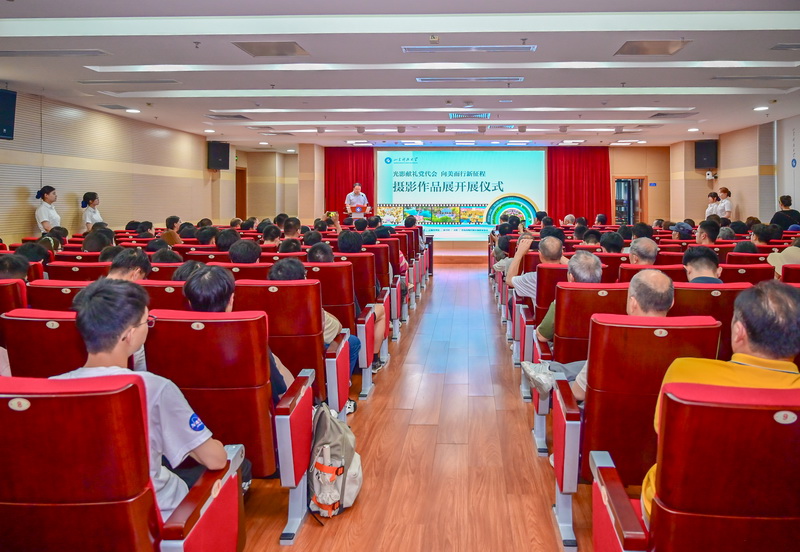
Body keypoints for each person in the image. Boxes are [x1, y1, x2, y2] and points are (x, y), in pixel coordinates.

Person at [51, 278, 229, 519]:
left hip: (80, 517)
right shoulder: (154, 387)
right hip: (159, 515)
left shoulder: (49, 388)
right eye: (147, 321)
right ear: (129, 334)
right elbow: (215, 460)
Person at [640, 280, 800, 523]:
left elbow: (662, 433)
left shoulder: (685, 372)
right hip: (784, 529)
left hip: (678, 519)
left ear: (739, 331)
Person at [527, 270, 674, 400]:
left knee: (563, 386)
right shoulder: (684, 340)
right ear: (672, 302)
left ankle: (551, 376)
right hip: (660, 414)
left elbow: (578, 393)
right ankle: (551, 370)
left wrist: (559, 385)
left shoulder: (610, 336)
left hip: (606, 413)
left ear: (633, 303)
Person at [182, 265, 290, 405]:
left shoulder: (171, 342)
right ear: (231, 299)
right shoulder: (251, 341)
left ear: (190, 302)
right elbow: (282, 395)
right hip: (250, 417)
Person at [268, 258, 361, 414]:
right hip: (309, 357)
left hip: (275, 359)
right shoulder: (308, 300)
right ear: (303, 279)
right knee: (351, 341)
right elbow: (337, 328)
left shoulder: (258, 300)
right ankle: (336, 397)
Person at [533, 251, 603, 345]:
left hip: (565, 353)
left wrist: (537, 330)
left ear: (571, 277)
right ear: (601, 273)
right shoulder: (615, 299)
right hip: (600, 352)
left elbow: (542, 337)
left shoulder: (562, 302)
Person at [506, 235, 568, 299]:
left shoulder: (532, 278)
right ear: (562, 253)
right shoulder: (570, 275)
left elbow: (509, 280)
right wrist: (556, 253)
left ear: (540, 255)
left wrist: (519, 253)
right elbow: (573, 267)